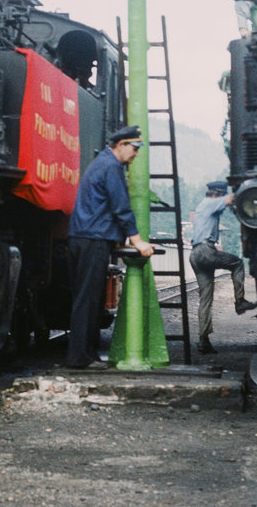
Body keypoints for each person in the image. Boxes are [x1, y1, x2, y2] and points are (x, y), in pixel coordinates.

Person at [65, 125, 154, 369]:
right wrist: (136, 240)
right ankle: (79, 358)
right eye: (134, 149)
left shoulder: (100, 162)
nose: (136, 154)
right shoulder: (112, 166)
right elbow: (120, 206)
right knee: (88, 299)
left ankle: (86, 354)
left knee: (90, 298)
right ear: (122, 145)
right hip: (92, 239)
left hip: (85, 237)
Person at [187, 181, 257, 354]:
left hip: (195, 254)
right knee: (238, 263)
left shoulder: (202, 207)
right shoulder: (211, 202)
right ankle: (240, 302)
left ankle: (203, 341)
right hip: (205, 251)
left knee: (206, 299)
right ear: (216, 194)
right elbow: (230, 199)